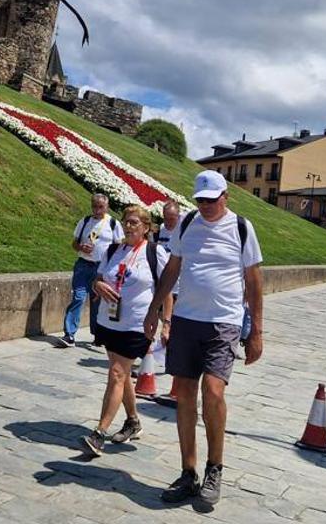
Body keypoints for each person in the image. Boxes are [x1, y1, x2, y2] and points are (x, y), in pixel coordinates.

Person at [143, 170, 263, 508]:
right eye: (201, 200)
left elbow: (254, 281)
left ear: (226, 196)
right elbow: (173, 268)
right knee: (184, 394)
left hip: (223, 322)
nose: (206, 205)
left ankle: (215, 468)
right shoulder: (186, 223)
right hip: (186, 319)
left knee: (213, 390)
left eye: (212, 200)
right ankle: (188, 471)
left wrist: (257, 331)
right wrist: (155, 310)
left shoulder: (241, 227)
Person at [81, 205, 173, 456]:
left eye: (134, 222)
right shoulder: (113, 250)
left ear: (146, 227)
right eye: (126, 221)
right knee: (120, 376)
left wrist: (166, 322)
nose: (129, 226)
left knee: (117, 374)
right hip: (110, 321)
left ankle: (99, 433)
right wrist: (98, 284)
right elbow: (97, 278)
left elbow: (167, 289)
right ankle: (133, 421)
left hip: (138, 324)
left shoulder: (155, 253)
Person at [62, 194, 123, 347]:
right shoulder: (85, 221)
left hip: (101, 269)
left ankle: (98, 335)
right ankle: (69, 334)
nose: (97, 210)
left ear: (107, 207)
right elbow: (74, 243)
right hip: (83, 265)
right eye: (94, 206)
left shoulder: (113, 223)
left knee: (97, 303)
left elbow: (119, 247)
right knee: (78, 297)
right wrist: (81, 247)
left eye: (100, 207)